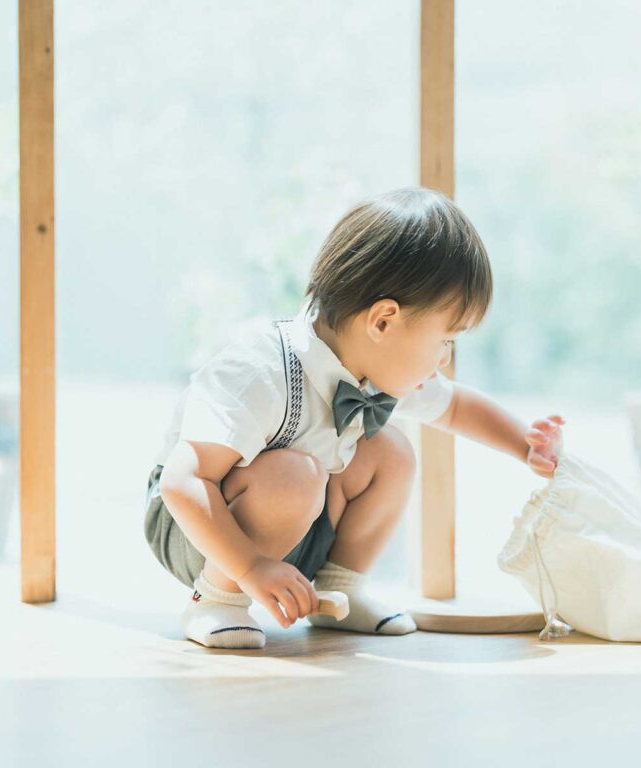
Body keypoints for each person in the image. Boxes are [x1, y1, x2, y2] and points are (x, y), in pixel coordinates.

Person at [144, 186, 565, 649]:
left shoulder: (377, 365)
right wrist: (248, 566)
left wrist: (525, 445)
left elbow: (456, 407)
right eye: (446, 341)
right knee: (294, 473)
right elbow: (183, 483)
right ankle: (215, 600)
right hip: (201, 529)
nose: (444, 360)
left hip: (297, 528)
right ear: (383, 321)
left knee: (392, 451)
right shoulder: (260, 373)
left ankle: (337, 593)